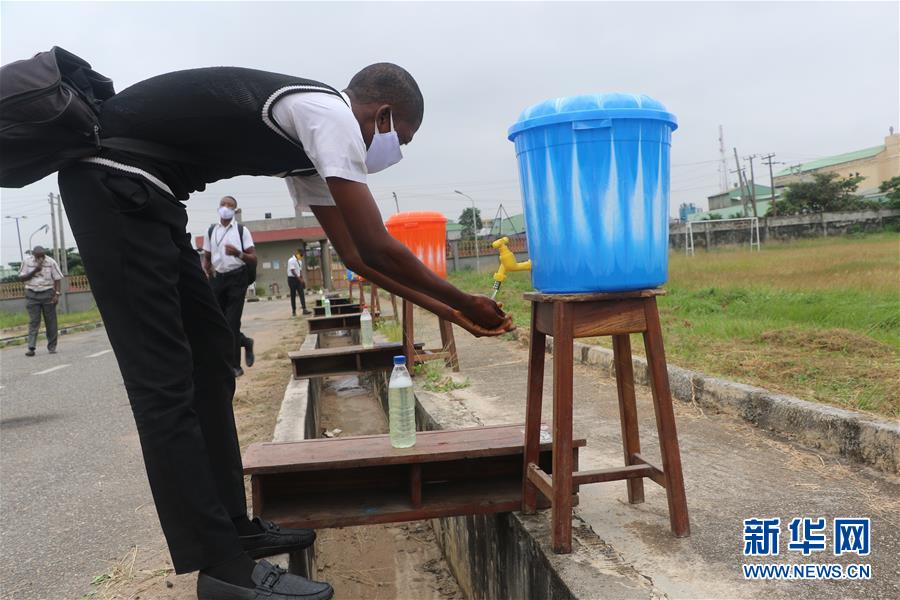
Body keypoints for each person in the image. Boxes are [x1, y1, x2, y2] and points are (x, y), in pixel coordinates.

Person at [53, 62, 512, 600]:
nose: (392, 150)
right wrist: (461, 299)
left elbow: (356, 258)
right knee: (164, 387)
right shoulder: (329, 114)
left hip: (148, 196)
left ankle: (236, 531)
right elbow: (377, 242)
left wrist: (451, 313)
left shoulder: (308, 141)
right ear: (382, 114)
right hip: (112, 186)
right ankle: (221, 568)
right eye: (399, 138)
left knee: (213, 362)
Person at [202, 196, 256, 377]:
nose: (226, 208)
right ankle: (245, 342)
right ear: (218, 208)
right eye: (223, 205)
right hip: (217, 278)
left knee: (232, 322)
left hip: (237, 278)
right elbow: (207, 257)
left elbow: (253, 258)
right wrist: (206, 269)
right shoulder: (211, 231)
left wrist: (238, 253)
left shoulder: (241, 230)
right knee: (219, 322)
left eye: (230, 206)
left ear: (235, 210)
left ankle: (234, 366)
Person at [17, 245, 63, 356]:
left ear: (44, 254)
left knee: (50, 321)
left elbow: (57, 279)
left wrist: (56, 294)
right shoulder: (27, 262)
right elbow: (22, 278)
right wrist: (35, 270)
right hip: (32, 294)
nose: (41, 259)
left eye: (42, 256)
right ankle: (31, 348)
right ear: (34, 255)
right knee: (34, 321)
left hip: (48, 293)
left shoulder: (51, 262)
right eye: (38, 256)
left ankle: (52, 346)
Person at [286, 249, 310, 317]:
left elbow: (300, 271)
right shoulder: (291, 260)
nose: (302, 256)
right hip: (292, 279)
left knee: (302, 294)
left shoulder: (300, 261)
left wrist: (302, 280)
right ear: (298, 253)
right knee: (293, 295)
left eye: (302, 255)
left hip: (298, 279)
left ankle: (304, 309)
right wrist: (300, 279)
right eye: (301, 255)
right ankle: (294, 311)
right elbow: (293, 271)